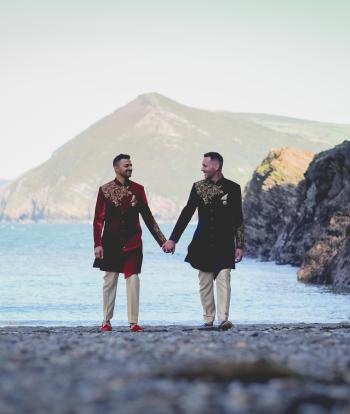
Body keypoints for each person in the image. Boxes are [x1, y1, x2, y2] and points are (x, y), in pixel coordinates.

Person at [163, 152, 244, 330]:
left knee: (224, 278)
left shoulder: (233, 188)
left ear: (216, 166)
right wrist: (173, 239)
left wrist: (240, 245)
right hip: (202, 242)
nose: (202, 168)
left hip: (224, 242)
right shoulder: (198, 187)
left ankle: (223, 319)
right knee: (205, 281)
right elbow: (187, 213)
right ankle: (208, 318)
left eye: (205, 165)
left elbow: (238, 218)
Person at [93, 154, 167, 332]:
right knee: (109, 281)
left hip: (133, 243)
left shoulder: (139, 190)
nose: (130, 168)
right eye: (126, 165)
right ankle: (106, 321)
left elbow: (148, 218)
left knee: (133, 279)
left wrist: (163, 242)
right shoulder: (105, 190)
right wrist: (97, 244)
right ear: (116, 168)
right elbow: (98, 220)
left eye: (131, 165)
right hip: (110, 243)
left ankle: (133, 322)